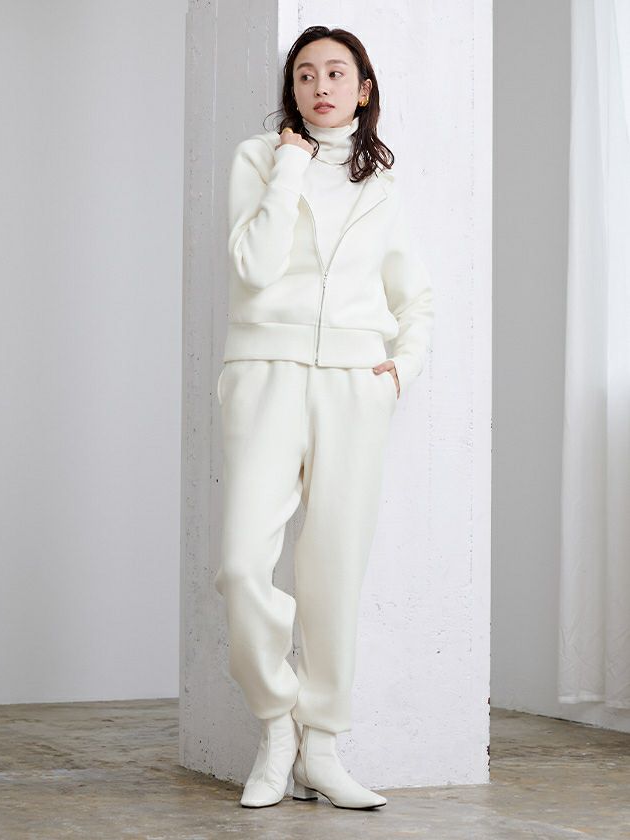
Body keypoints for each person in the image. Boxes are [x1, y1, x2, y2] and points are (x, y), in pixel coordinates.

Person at [213, 25, 434, 810]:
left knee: (334, 569)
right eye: (305, 75)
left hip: (352, 383)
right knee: (243, 565)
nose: (321, 86)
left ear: (363, 89)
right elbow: (255, 266)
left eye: (337, 73)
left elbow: (415, 294)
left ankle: (325, 748)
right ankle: (278, 725)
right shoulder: (258, 159)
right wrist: (289, 165)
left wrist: (401, 368)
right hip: (264, 375)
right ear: (293, 91)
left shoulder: (382, 185)